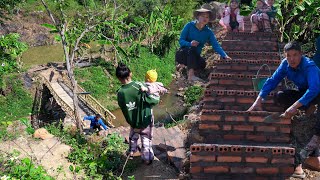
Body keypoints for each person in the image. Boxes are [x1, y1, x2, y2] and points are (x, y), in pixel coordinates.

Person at [247, 41, 320, 178]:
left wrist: (293, 107)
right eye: (288, 56)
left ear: (301, 55)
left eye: (295, 55)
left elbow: (314, 89)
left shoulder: (309, 66)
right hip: (304, 93)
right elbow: (272, 81)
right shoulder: (285, 64)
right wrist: (258, 100)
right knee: (281, 96)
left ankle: (314, 141)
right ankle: (307, 108)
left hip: (317, 92)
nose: (292, 59)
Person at [116, 63, 160, 165]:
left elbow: (124, 108)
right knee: (146, 140)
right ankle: (147, 159)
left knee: (133, 136)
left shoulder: (120, 93)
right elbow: (154, 100)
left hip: (133, 121)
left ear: (118, 78)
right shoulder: (139, 86)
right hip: (145, 120)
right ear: (130, 74)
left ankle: (132, 152)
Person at [176, 7, 232, 82]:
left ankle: (184, 66)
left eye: (207, 17)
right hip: (182, 53)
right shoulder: (189, 25)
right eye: (202, 16)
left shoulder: (208, 32)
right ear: (198, 17)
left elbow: (216, 45)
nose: (205, 18)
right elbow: (181, 40)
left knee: (202, 64)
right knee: (192, 48)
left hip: (194, 57)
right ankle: (191, 75)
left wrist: (224, 55)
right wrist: (190, 43)